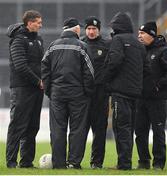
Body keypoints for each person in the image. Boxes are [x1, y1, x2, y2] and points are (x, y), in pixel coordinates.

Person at [41, 17, 94, 169]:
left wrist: (50, 90)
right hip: (78, 95)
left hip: (57, 94)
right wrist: (87, 92)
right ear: (76, 29)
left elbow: (44, 69)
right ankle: (73, 162)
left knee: (57, 129)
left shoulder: (52, 46)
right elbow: (89, 73)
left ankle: (58, 164)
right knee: (77, 129)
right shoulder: (82, 46)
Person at [104, 12, 150, 170]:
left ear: (117, 27)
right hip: (135, 93)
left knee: (120, 127)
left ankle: (124, 164)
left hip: (120, 92)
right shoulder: (139, 44)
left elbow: (114, 62)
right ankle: (127, 162)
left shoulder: (118, 40)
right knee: (129, 128)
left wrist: (106, 80)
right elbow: (146, 69)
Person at [135, 21, 167, 170]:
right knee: (140, 132)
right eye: (139, 33)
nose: (139, 36)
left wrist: (158, 85)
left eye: (142, 33)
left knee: (158, 132)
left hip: (157, 100)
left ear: (151, 34)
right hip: (140, 99)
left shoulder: (163, 51)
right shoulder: (140, 51)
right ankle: (143, 161)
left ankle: (159, 163)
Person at [6, 10, 44, 168]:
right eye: (38, 22)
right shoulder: (18, 40)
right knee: (18, 125)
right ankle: (11, 162)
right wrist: (38, 81)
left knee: (33, 126)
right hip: (22, 88)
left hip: (37, 89)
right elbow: (20, 66)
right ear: (29, 22)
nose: (40, 25)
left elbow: (42, 63)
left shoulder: (39, 40)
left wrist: (43, 80)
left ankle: (26, 162)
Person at [81, 16, 110, 169]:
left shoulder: (107, 44)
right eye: (89, 29)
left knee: (99, 130)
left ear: (99, 30)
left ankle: (96, 163)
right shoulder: (80, 43)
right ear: (85, 30)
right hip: (83, 94)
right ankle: (74, 161)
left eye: (94, 29)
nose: (91, 31)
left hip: (101, 94)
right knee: (80, 129)